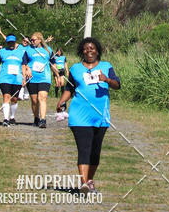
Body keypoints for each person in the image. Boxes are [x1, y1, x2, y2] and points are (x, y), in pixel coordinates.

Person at [56, 37, 120, 192]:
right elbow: (69, 89)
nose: (89, 51)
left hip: (100, 116)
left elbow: (118, 84)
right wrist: (61, 102)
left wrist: (107, 79)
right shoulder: (76, 69)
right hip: (79, 114)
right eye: (86, 49)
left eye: (92, 48)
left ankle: (90, 180)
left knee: (95, 151)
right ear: (81, 51)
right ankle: (84, 183)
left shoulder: (106, 66)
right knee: (84, 149)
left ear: (97, 51)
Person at [0, 35, 26, 126]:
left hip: (17, 79)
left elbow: (23, 65)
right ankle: (6, 119)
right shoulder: (1, 52)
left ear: (15, 42)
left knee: (14, 99)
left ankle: (12, 117)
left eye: (12, 42)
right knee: (6, 97)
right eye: (9, 42)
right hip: (5, 78)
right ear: (7, 42)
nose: (11, 44)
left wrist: (24, 78)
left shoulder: (21, 52)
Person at [22, 32, 54, 128]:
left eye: (33, 40)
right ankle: (36, 118)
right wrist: (26, 72)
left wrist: (58, 76)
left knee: (42, 98)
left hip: (45, 77)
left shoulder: (48, 50)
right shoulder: (28, 50)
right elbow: (23, 64)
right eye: (31, 40)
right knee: (34, 101)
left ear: (40, 40)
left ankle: (43, 120)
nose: (31, 42)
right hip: (32, 79)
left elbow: (53, 63)